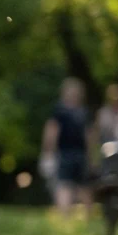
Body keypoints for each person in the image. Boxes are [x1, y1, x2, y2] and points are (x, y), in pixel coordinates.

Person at [41, 77, 93, 217]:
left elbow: (51, 132)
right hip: (79, 154)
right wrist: (90, 156)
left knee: (65, 185)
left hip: (65, 153)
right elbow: (88, 136)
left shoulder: (59, 111)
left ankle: (65, 217)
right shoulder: (83, 112)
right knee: (83, 186)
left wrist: (48, 152)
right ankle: (88, 216)